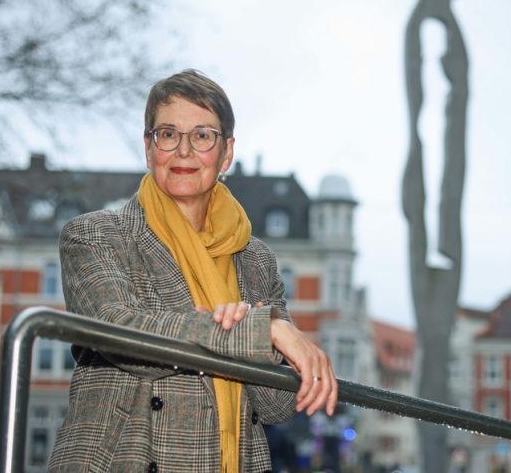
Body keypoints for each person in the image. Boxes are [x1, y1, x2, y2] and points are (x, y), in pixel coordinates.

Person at [48, 69, 338, 472]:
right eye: (168, 134)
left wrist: (261, 339)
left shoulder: (256, 260)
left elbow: (276, 405)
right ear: (149, 149)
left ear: (227, 152)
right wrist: (262, 330)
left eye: (202, 136)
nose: (183, 151)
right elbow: (121, 335)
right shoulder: (95, 235)